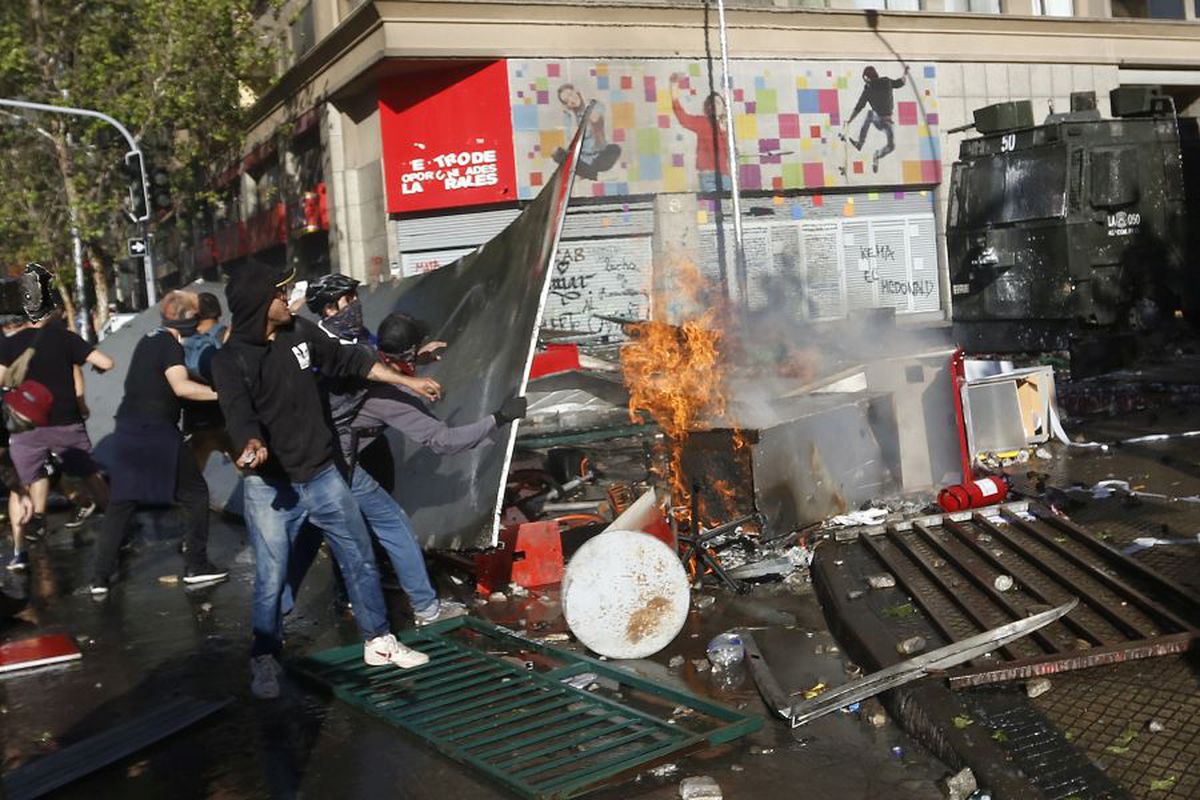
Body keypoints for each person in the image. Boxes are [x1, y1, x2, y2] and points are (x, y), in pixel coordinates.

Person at [211, 262, 444, 700]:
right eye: (280, 294)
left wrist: (406, 382)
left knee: (359, 557)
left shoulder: (299, 332)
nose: (288, 299)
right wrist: (251, 443)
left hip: (322, 473)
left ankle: (379, 641)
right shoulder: (229, 359)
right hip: (271, 485)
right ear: (262, 304)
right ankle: (264, 655)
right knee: (273, 574)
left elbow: (352, 361)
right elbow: (238, 412)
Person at [304, 277, 526, 625]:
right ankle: (424, 608)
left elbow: (376, 358)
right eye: (346, 300)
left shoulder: (352, 339)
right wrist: (500, 418)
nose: (355, 305)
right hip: (338, 459)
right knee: (392, 527)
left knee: (340, 528)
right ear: (328, 310)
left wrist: (415, 359)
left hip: (344, 450)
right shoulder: (383, 394)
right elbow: (444, 441)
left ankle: (342, 596)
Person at [88, 292, 228, 593]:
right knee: (196, 495)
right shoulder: (169, 344)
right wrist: (223, 394)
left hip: (127, 428)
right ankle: (197, 565)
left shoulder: (149, 338)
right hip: (157, 431)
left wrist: (197, 380)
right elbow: (180, 386)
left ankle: (99, 579)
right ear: (188, 319)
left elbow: (165, 377)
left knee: (121, 503)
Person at [0, 267, 113, 559]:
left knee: (21, 486)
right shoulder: (65, 338)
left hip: (25, 426)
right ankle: (117, 534)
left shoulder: (8, 344)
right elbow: (106, 362)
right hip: (66, 421)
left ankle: (19, 551)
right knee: (91, 476)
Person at [670, 72, 730, 192]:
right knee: (713, 208)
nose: (714, 106)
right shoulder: (703, 122)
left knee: (728, 207)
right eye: (711, 104)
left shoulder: (728, 126)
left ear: (724, 107)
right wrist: (674, 86)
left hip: (725, 175)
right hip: (708, 176)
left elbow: (732, 152)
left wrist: (724, 130)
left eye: (718, 103)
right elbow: (682, 117)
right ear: (707, 107)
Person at [844, 65, 909, 173]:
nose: (866, 82)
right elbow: (900, 82)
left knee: (891, 145)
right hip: (884, 121)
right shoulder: (885, 82)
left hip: (882, 121)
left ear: (868, 78)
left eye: (866, 79)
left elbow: (859, 107)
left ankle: (876, 155)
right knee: (871, 115)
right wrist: (905, 73)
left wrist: (850, 120)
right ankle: (861, 144)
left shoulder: (869, 89)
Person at [550, 84, 621, 181]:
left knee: (615, 149)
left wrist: (585, 102)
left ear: (576, 91)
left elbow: (595, 118)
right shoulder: (569, 116)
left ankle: (586, 172)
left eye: (571, 94)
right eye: (567, 101)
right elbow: (572, 139)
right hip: (583, 158)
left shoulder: (594, 104)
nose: (571, 100)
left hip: (599, 155)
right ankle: (592, 173)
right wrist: (571, 115)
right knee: (556, 153)